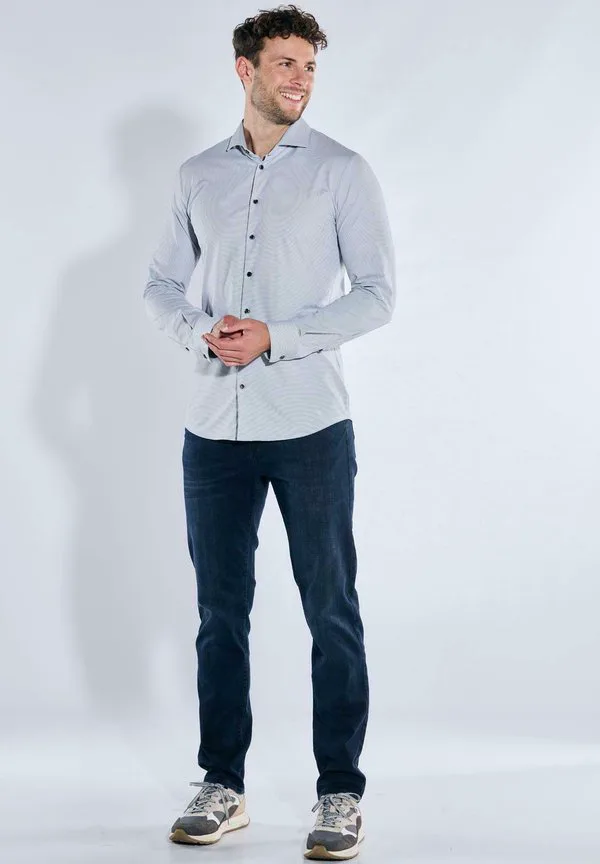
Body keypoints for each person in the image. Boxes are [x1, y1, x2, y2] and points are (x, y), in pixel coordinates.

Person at [143, 4, 396, 859]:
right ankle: (223, 783)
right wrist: (200, 331)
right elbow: (159, 285)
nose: (301, 79)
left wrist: (277, 338)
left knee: (331, 608)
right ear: (244, 70)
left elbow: (377, 294)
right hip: (213, 429)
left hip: (310, 425)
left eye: (310, 67)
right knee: (220, 613)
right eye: (286, 63)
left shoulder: (341, 171)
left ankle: (340, 793)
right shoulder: (196, 176)